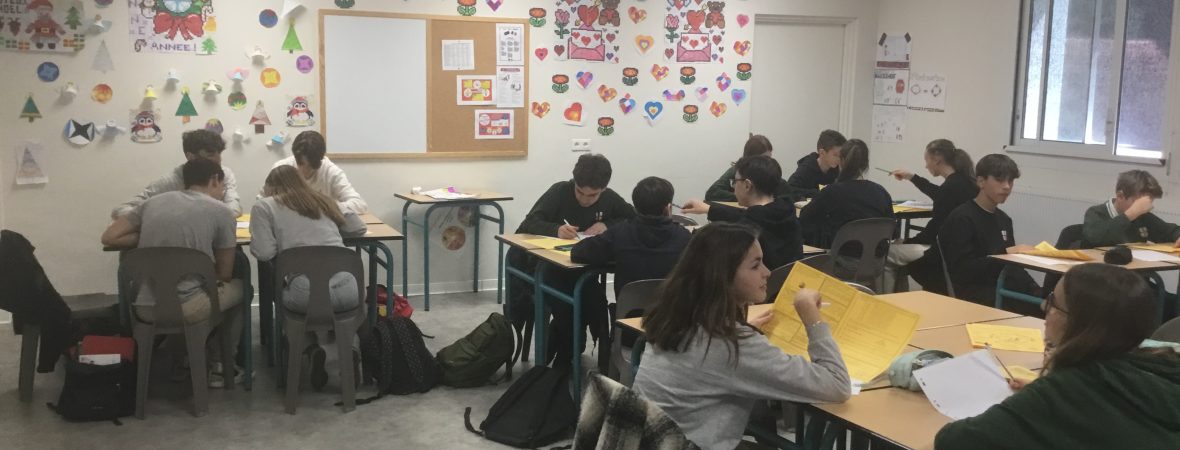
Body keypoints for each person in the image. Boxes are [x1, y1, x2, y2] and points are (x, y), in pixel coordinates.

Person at [633, 222, 851, 450]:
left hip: (650, 441)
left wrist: (745, 330)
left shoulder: (675, 317)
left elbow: (712, 358)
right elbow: (837, 385)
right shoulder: (731, 345)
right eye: (755, 266)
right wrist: (812, 318)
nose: (767, 272)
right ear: (722, 276)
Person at [934, 263, 1180, 449]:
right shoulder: (1161, 366)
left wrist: (1042, 397)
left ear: (1079, 324)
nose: (1044, 307)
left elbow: (953, 441)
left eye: (1053, 302)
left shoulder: (1068, 389)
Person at [101, 159, 245, 388]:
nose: (223, 192)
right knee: (242, 288)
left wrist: (150, 238)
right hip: (189, 307)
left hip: (146, 306)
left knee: (177, 289)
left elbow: (109, 237)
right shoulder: (222, 212)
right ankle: (220, 364)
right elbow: (224, 273)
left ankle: (182, 361)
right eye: (223, 187)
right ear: (215, 180)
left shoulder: (151, 204)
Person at [506, 153, 636, 367]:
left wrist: (608, 225)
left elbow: (633, 219)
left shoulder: (610, 198)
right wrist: (556, 229)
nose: (585, 199)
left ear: (603, 189)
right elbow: (529, 223)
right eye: (580, 192)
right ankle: (566, 352)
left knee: (595, 302)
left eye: (592, 195)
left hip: (580, 269)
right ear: (574, 182)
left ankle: (575, 351)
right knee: (569, 303)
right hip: (545, 266)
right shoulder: (559, 191)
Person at [250, 165, 367, 390]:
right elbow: (357, 229)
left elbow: (264, 253)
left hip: (305, 295)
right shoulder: (323, 200)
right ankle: (350, 348)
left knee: (282, 298)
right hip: (348, 290)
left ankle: (310, 348)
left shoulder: (264, 206)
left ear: (270, 187)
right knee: (352, 311)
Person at [935, 154, 1039, 308]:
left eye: (1010, 181)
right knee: (1037, 308)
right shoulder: (962, 218)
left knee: (1048, 301)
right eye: (999, 180)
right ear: (981, 181)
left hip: (999, 286)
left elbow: (1012, 267)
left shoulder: (1004, 219)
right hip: (974, 292)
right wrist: (1006, 253)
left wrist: (1035, 290)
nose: (1007, 186)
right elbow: (962, 271)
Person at [571, 176, 691, 298]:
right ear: (668, 208)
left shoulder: (620, 233)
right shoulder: (684, 238)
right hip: (671, 307)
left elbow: (577, 253)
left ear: (636, 207)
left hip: (628, 308)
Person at [882, 140, 978, 292]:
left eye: (927, 160)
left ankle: (886, 300)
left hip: (942, 250)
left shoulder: (951, 187)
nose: (926, 166)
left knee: (887, 254)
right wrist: (912, 177)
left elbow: (933, 231)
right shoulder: (964, 182)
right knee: (899, 251)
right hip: (965, 248)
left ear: (937, 159)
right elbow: (939, 194)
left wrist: (907, 241)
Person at [681, 155, 803, 271]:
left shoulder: (747, 229)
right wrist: (708, 209)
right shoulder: (786, 211)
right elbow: (746, 214)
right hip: (789, 282)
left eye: (735, 181)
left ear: (747, 185)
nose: (733, 186)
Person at [111, 129, 241, 219]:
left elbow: (234, 209)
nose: (219, 160)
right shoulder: (171, 181)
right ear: (190, 156)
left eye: (220, 154)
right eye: (210, 155)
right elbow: (120, 210)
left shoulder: (225, 174)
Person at [799, 138, 894, 248]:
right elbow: (893, 231)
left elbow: (804, 218)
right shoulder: (881, 192)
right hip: (877, 257)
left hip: (839, 255)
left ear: (841, 161)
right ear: (866, 164)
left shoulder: (831, 192)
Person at [271, 130, 368, 214]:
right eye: (301, 164)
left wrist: (323, 206)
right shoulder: (280, 169)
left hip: (322, 225)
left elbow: (359, 204)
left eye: (310, 166)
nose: (304, 170)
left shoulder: (331, 171)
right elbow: (265, 204)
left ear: (321, 159)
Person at [1082, 170, 1180, 248]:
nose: (1143, 208)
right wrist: (1130, 215)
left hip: (1135, 264)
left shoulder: (1142, 216)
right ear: (1120, 196)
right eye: (1139, 203)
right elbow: (1096, 238)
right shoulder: (1095, 213)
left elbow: (1169, 231)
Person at [704, 135, 793, 202]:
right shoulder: (737, 171)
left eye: (769, 158)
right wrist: (743, 197)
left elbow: (787, 198)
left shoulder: (774, 178)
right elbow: (712, 193)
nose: (768, 163)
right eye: (763, 159)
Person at [786, 129, 846, 199]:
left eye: (841, 155)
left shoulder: (838, 169)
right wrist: (821, 193)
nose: (839, 159)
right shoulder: (806, 168)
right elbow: (789, 189)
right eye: (835, 155)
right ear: (822, 153)